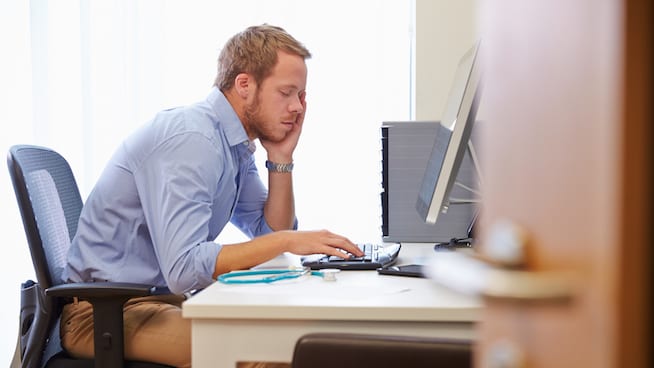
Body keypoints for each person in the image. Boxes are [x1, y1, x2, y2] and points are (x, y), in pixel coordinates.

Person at [60, 24, 363, 367]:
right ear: (245, 85)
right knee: (269, 354)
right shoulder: (195, 140)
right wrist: (289, 241)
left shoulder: (231, 144)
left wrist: (281, 159)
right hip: (104, 317)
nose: (297, 108)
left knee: (299, 335)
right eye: (286, 92)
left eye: (301, 96)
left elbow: (268, 233)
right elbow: (184, 268)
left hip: (157, 302)